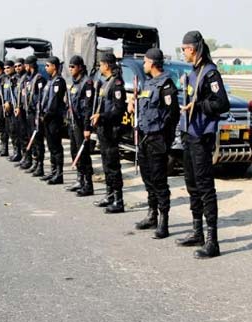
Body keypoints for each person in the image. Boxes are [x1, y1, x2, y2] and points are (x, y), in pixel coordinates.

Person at [176, 31, 231, 259]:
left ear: (194, 48)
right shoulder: (193, 72)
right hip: (189, 135)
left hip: (202, 137)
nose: (183, 53)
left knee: (205, 187)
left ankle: (212, 241)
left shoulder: (210, 73)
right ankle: (197, 231)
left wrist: (198, 105)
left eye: (184, 49)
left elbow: (222, 103)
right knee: (191, 184)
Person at [128, 48, 180, 239]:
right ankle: (151, 214)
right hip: (143, 138)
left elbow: (172, 115)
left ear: (152, 63)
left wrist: (163, 139)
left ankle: (163, 221)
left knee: (159, 181)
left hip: (156, 139)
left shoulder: (166, 86)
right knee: (147, 177)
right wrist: (132, 103)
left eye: (145, 62)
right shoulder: (148, 83)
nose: (143, 65)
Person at [90, 53, 126, 214]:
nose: (99, 67)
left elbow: (118, 110)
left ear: (107, 65)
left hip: (112, 130)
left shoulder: (117, 84)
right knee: (106, 164)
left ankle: (118, 200)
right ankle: (109, 195)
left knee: (113, 165)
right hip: (103, 129)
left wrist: (102, 116)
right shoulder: (104, 83)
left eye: (101, 64)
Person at [67, 55, 95, 196]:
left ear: (80, 67)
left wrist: (86, 128)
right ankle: (80, 179)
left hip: (81, 124)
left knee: (83, 154)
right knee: (74, 151)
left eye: (73, 66)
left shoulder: (87, 83)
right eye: (69, 66)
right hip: (73, 122)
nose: (70, 69)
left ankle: (88, 184)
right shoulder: (75, 82)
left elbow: (87, 108)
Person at [40, 56, 67, 185]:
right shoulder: (50, 81)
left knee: (56, 147)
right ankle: (53, 171)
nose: (46, 68)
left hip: (54, 118)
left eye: (47, 65)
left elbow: (55, 102)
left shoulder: (59, 82)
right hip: (47, 118)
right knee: (51, 146)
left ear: (54, 66)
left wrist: (47, 115)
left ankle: (59, 174)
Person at [22, 55, 47, 175]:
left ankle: (40, 165)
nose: (25, 67)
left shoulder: (39, 79)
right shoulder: (29, 79)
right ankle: (35, 162)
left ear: (30, 65)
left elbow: (40, 97)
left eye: (26, 65)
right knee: (31, 138)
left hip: (36, 113)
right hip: (29, 112)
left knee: (38, 140)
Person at [3, 60, 22, 161]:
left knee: (15, 131)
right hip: (7, 109)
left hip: (14, 108)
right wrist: (6, 102)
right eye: (5, 68)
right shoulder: (6, 79)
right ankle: (15, 151)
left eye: (8, 68)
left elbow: (16, 94)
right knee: (10, 130)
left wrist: (10, 103)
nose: (6, 70)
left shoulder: (16, 79)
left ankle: (18, 153)